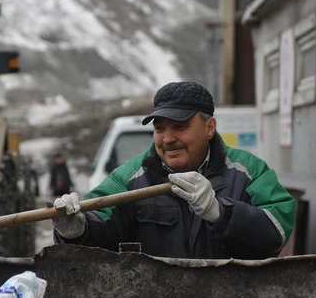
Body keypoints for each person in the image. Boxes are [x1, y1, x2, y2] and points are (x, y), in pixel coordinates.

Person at [52, 81, 295, 259]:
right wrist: (76, 230)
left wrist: (220, 212)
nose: (168, 139)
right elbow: (99, 225)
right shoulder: (129, 177)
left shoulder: (248, 171)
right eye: (160, 129)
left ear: (209, 128)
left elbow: (276, 232)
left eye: (179, 127)